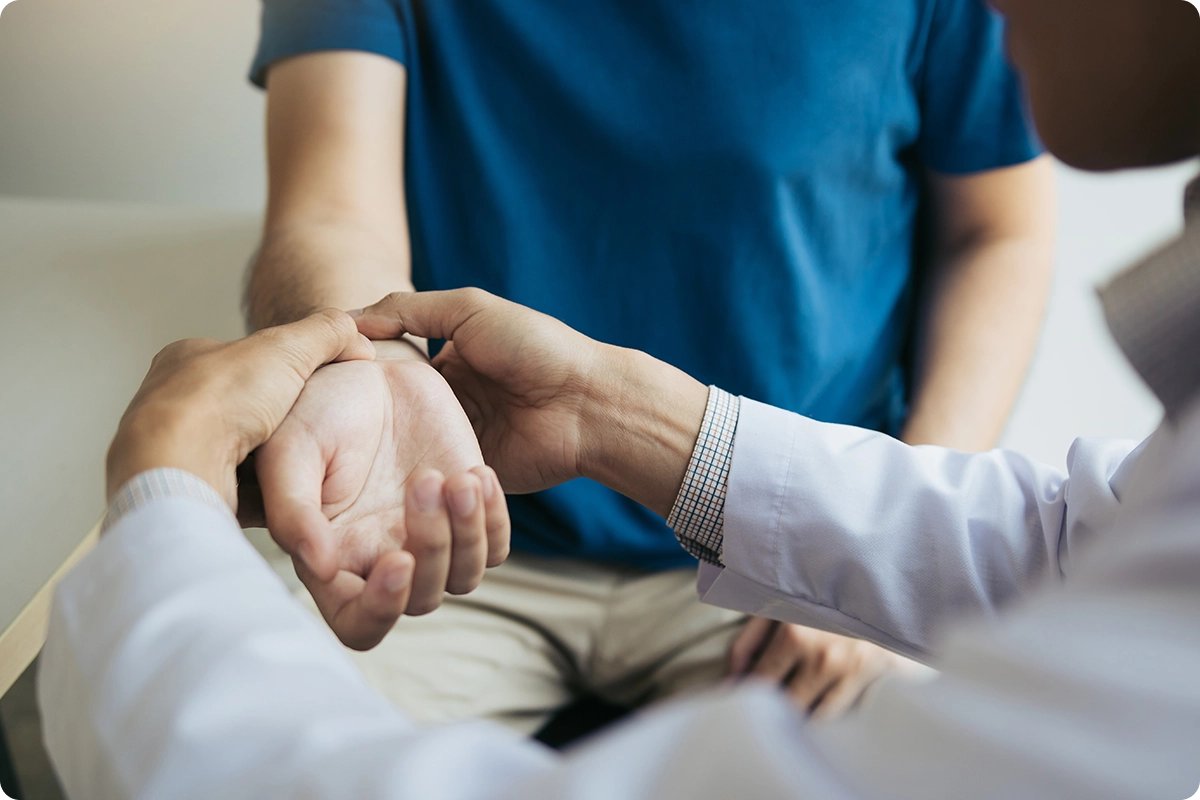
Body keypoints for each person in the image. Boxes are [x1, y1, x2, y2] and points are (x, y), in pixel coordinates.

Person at [40, 1, 1200, 793]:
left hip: (748, 604)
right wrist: (609, 415)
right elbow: (1065, 532)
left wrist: (166, 495)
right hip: (465, 531)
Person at [243, 0, 1056, 724]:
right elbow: (328, 210)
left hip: (786, 540)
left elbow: (998, 232)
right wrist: (367, 373)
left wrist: (879, 547)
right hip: (451, 530)